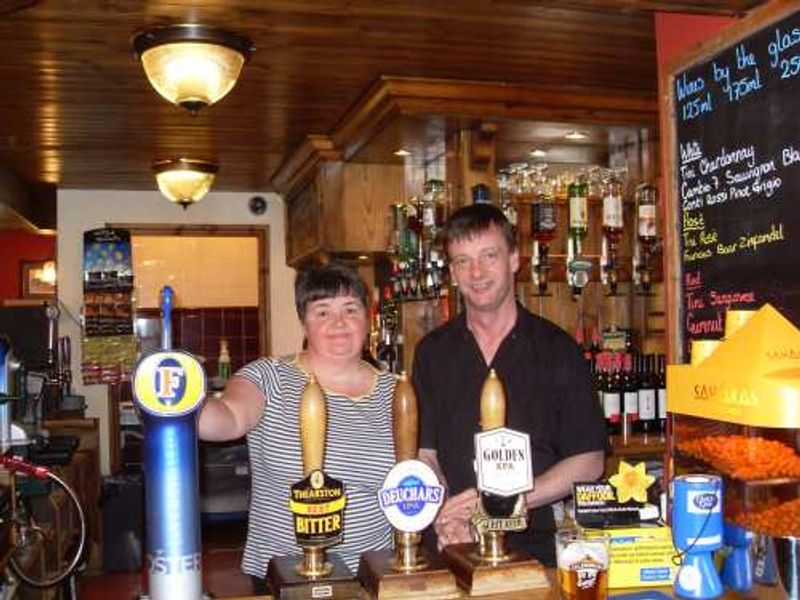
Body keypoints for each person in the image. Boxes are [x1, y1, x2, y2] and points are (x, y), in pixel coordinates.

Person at [412, 203, 606, 567]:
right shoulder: (431, 353)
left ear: (515, 259)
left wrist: (501, 504)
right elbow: (427, 454)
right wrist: (448, 513)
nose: (477, 272)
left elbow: (589, 460)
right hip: (451, 544)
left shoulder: (557, 349)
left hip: (532, 550)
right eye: (463, 261)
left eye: (489, 256)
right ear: (452, 272)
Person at [199, 261, 396, 592]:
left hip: (372, 574)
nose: (339, 322)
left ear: (368, 316)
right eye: (322, 312)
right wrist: (177, 400)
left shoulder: (395, 392)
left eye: (350, 308)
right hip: (284, 576)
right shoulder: (269, 377)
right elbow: (228, 418)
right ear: (304, 321)